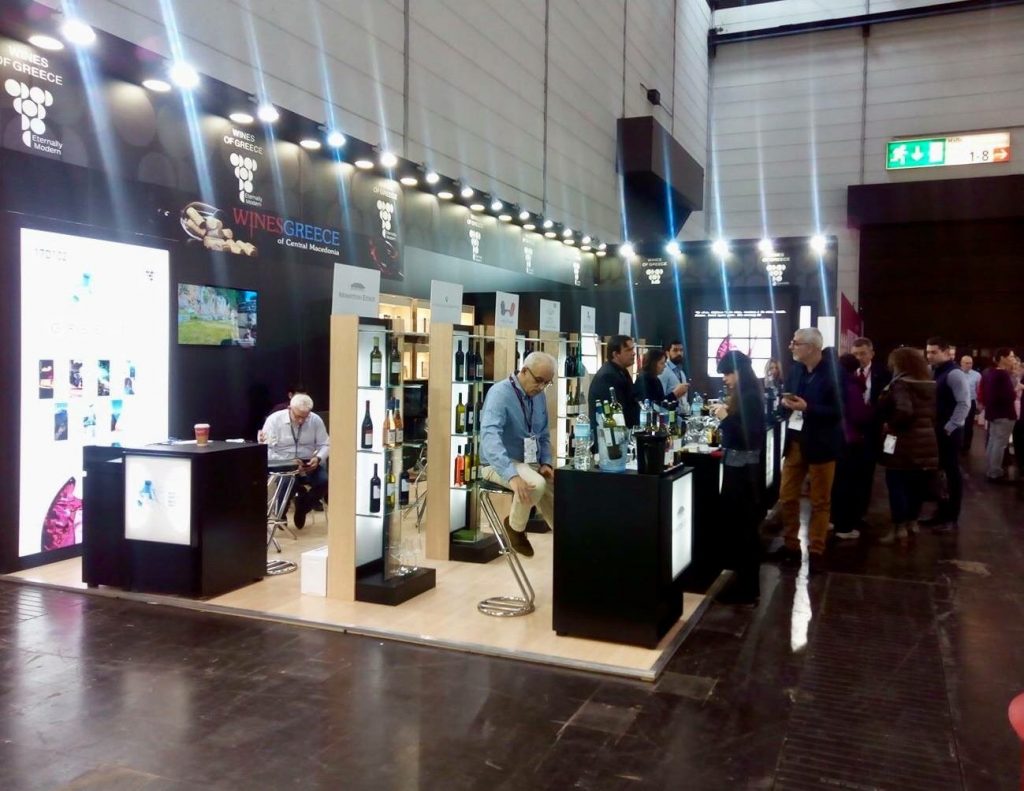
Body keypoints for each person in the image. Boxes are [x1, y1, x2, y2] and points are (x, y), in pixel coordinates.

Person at [772, 328, 842, 574]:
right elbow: (790, 400)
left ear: (811, 347)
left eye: (796, 343)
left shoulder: (833, 374)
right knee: (787, 496)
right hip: (795, 441)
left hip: (822, 444)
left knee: (820, 500)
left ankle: (817, 549)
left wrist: (808, 408)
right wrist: (785, 404)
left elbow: (838, 411)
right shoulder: (796, 370)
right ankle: (791, 545)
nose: (791, 346)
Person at [479, 351, 557, 558]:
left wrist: (546, 463)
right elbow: (490, 438)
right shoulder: (499, 394)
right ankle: (515, 528)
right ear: (524, 371)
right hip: (496, 463)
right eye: (539, 380)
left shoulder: (539, 397)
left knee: (559, 488)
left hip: (528, 462)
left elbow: (543, 434)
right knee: (535, 484)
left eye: (547, 383)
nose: (541, 387)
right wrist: (511, 475)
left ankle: (567, 537)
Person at [713, 351, 765, 605]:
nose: (725, 379)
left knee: (744, 529)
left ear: (739, 372)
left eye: (728, 373)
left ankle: (747, 589)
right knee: (740, 529)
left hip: (743, 473)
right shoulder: (746, 395)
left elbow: (748, 436)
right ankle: (743, 583)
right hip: (740, 470)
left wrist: (725, 418)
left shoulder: (750, 396)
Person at [875, 347, 939, 544]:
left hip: (902, 442)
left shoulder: (900, 384)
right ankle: (912, 523)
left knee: (897, 484)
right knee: (916, 486)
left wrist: (890, 424)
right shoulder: (929, 384)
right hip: (926, 442)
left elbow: (904, 411)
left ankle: (898, 528)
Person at [259, 393, 330, 529]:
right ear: (289, 409)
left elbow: (325, 444)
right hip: (283, 462)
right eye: (298, 416)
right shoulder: (274, 420)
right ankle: (281, 513)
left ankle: (303, 506)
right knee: (287, 481)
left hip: (307, 461)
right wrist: (289, 462)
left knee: (324, 481)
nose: (301, 421)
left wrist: (318, 458)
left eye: (305, 417)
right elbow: (266, 449)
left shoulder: (315, 420)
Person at [922, 337, 971, 532]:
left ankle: (951, 518)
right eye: (928, 352)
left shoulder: (954, 374)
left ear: (945, 352)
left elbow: (964, 403)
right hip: (938, 430)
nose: (929, 355)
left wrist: (950, 427)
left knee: (951, 474)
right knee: (940, 474)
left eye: (933, 352)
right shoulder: (936, 371)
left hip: (949, 432)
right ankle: (941, 514)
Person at [830, 353, 873, 540]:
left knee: (835, 483)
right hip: (850, 440)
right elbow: (858, 415)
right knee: (847, 485)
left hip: (833, 439)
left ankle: (832, 520)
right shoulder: (852, 386)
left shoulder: (832, 383)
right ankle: (844, 527)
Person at [849, 337, 891, 527]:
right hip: (851, 429)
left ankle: (861, 512)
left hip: (872, 430)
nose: (859, 358)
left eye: (863, 353)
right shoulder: (846, 372)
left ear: (872, 354)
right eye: (855, 354)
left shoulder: (883, 373)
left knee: (866, 472)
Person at [980, 348, 1018, 483]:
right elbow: (1008, 396)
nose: (1013, 359)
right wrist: (1016, 390)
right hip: (1004, 413)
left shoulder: (990, 373)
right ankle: (995, 472)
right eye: (1011, 356)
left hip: (994, 413)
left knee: (993, 441)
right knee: (1000, 444)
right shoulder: (1002, 375)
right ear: (1002, 358)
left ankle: (991, 469)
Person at [588, 335, 638, 432]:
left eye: (633, 349)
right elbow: (615, 412)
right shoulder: (608, 376)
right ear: (615, 354)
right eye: (628, 350)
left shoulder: (621, 371)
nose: (633, 353)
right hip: (610, 435)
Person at [658, 340, 690, 414]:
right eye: (675, 350)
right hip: (668, 416)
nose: (679, 353)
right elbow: (660, 399)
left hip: (682, 414)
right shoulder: (663, 371)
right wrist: (675, 393)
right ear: (667, 353)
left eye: (681, 350)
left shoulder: (681, 372)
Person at [960, 355, 982, 454]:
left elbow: (979, 391)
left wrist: (979, 404)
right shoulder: (956, 373)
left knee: (969, 425)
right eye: (967, 363)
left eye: (971, 363)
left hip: (970, 402)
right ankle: (957, 444)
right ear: (961, 363)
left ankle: (966, 446)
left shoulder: (977, 375)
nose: (969, 365)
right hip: (958, 402)